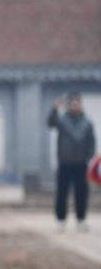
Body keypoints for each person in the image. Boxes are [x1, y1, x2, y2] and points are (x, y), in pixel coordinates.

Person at [48, 93, 95, 232]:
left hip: (81, 163)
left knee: (82, 193)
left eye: (77, 103)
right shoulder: (61, 120)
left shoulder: (87, 122)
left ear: (81, 104)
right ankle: (61, 220)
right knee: (62, 193)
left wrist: (90, 156)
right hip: (65, 162)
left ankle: (81, 220)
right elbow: (50, 123)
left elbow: (91, 141)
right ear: (69, 105)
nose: (75, 105)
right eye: (73, 103)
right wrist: (54, 109)